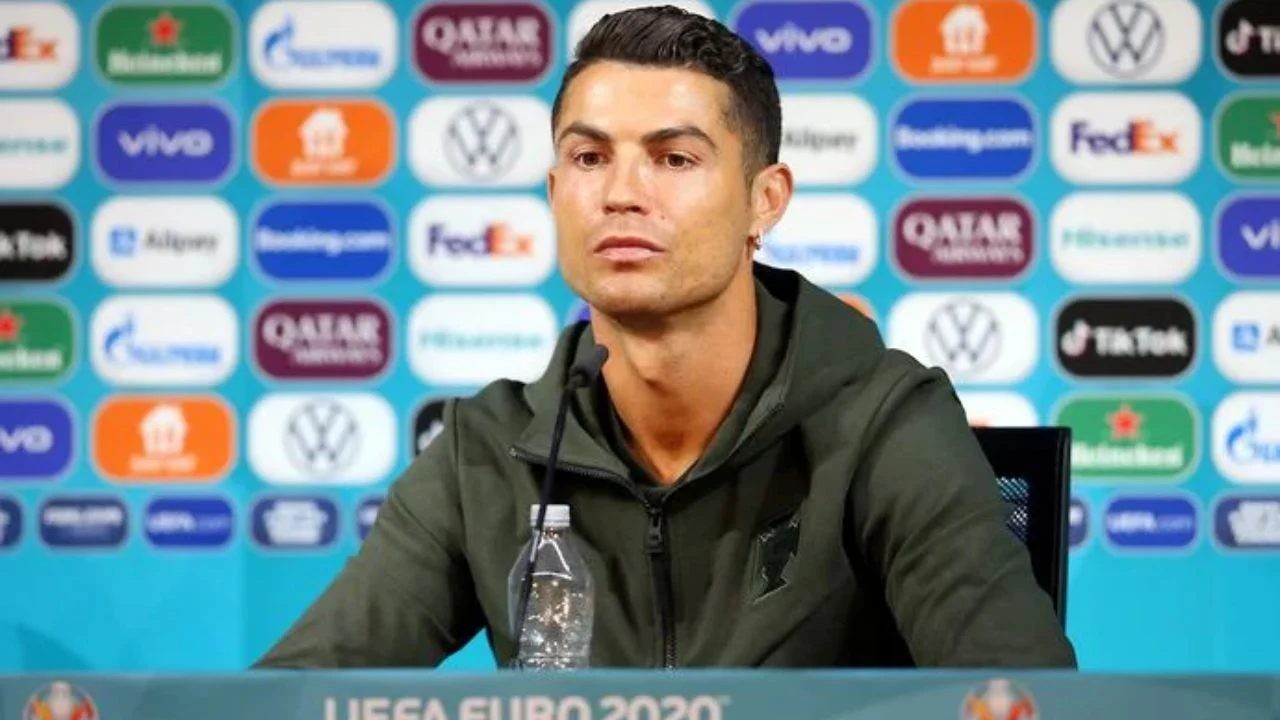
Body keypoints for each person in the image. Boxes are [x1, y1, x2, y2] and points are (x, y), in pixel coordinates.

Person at [255, 5, 1076, 669]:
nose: (621, 193)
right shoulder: (488, 452)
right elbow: (300, 689)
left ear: (765, 200)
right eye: (589, 158)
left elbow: (1017, 696)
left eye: (674, 159)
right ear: (554, 191)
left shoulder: (883, 422)